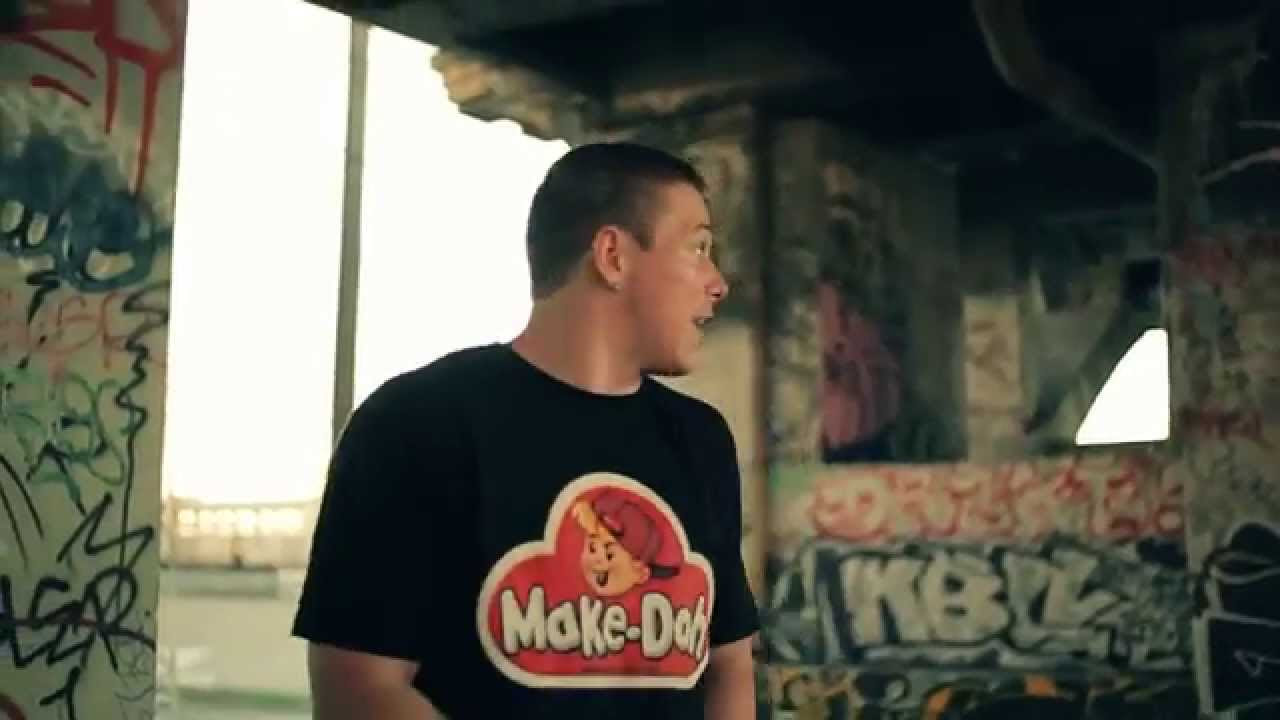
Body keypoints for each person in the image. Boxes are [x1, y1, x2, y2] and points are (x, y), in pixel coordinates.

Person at [292, 142, 760, 719]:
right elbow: (358, 689)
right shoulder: (417, 422)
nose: (718, 282)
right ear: (613, 256)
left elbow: (729, 665)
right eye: (699, 248)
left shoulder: (701, 439)